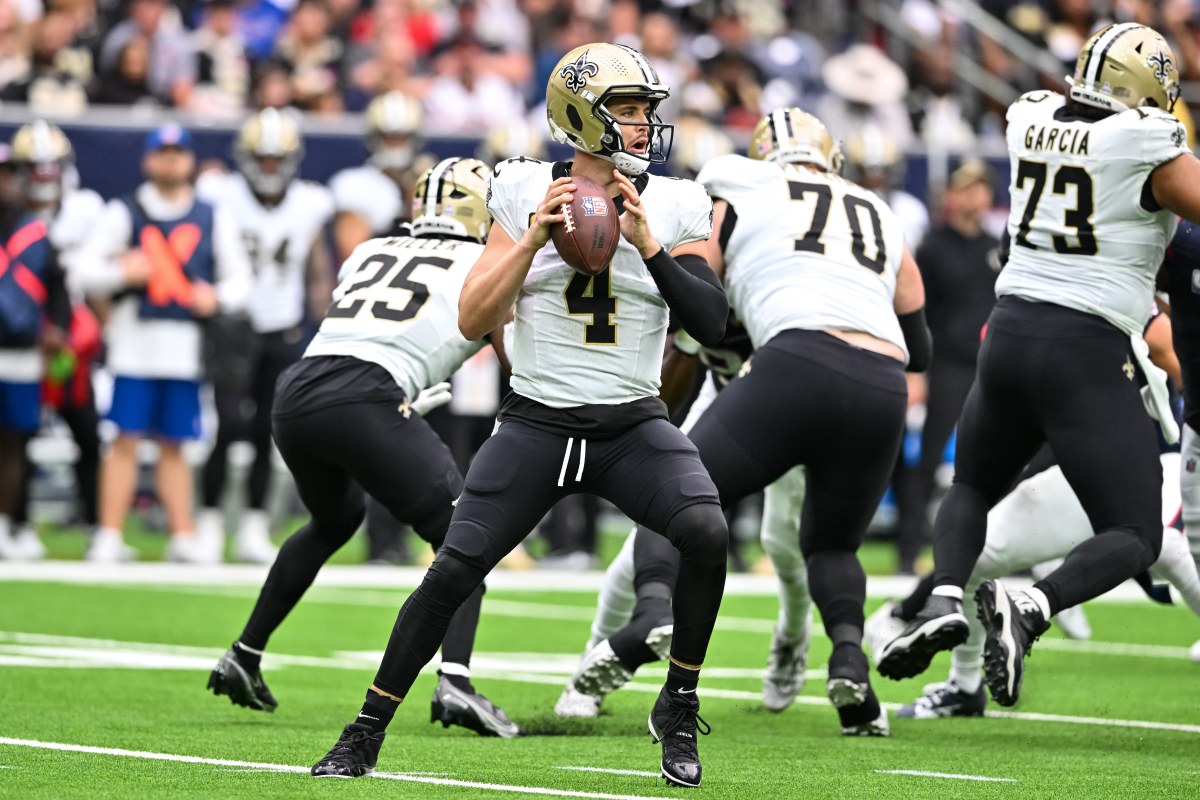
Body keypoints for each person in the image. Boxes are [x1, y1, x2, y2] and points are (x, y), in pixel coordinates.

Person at [308, 43, 730, 788]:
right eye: (626, 111)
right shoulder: (523, 188)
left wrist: (650, 246)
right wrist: (534, 239)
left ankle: (679, 699)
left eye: (645, 112)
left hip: (631, 421)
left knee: (706, 529)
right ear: (579, 117)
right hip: (537, 420)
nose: (642, 126)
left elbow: (712, 320)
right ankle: (365, 731)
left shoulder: (674, 202)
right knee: (452, 571)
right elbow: (472, 316)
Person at [571, 108, 930, 739]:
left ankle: (636, 635)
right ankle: (849, 663)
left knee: (671, 498)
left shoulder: (737, 182)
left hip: (794, 365)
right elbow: (920, 342)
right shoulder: (876, 207)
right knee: (833, 545)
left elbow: (698, 284)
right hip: (883, 382)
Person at [877, 23, 1200, 708]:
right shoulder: (1146, 142)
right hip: (1084, 347)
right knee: (1138, 532)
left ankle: (941, 597)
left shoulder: (1031, 115)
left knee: (970, 484)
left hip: (1009, 335)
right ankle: (1034, 603)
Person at [207, 156, 523, 738]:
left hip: (298, 390)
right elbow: (512, 355)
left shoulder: (372, 251)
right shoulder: (485, 261)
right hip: (365, 394)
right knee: (466, 539)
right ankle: (456, 680)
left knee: (334, 521)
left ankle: (244, 654)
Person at [69, 124, 252, 564]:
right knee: (124, 440)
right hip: (133, 344)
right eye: (162, 153)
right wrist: (122, 274)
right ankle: (109, 533)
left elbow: (240, 280)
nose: (170, 162)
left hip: (185, 348)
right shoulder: (124, 212)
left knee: (176, 444)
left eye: (178, 153)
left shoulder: (212, 214)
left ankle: (182, 533)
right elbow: (82, 271)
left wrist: (217, 297)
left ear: (188, 160)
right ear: (148, 160)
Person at [195, 108, 335, 564]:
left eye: (278, 158)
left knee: (264, 431)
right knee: (227, 425)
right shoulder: (221, 194)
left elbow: (316, 268)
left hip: (284, 325)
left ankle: (254, 525)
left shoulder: (310, 202)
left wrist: (328, 320)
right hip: (233, 326)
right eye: (263, 158)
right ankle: (211, 523)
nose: (270, 167)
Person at [892, 159, 1001, 574]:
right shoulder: (934, 246)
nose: (977, 196)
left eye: (982, 188)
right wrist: (916, 369)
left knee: (1000, 459)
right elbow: (919, 311)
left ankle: (998, 551)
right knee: (929, 458)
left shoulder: (994, 247)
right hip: (946, 365)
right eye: (968, 188)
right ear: (952, 195)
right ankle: (908, 551)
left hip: (988, 365)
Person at [4, 121, 105, 559]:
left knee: (86, 431)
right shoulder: (11, 216)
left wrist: (67, 327)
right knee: (16, 436)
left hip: (70, 339)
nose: (44, 178)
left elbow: (101, 270)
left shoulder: (87, 208)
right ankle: (19, 522)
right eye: (35, 169)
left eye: (51, 168)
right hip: (24, 337)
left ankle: (99, 525)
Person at [0, 125, 72, 560]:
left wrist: (58, 330)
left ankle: (9, 523)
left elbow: (58, 288)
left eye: (7, 174)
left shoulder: (35, 233)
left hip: (23, 353)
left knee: (16, 442)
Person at [327, 90, 425, 263]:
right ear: (374, 137)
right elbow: (352, 257)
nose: (396, 145)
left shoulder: (427, 179)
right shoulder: (353, 183)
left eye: (402, 137)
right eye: (389, 137)